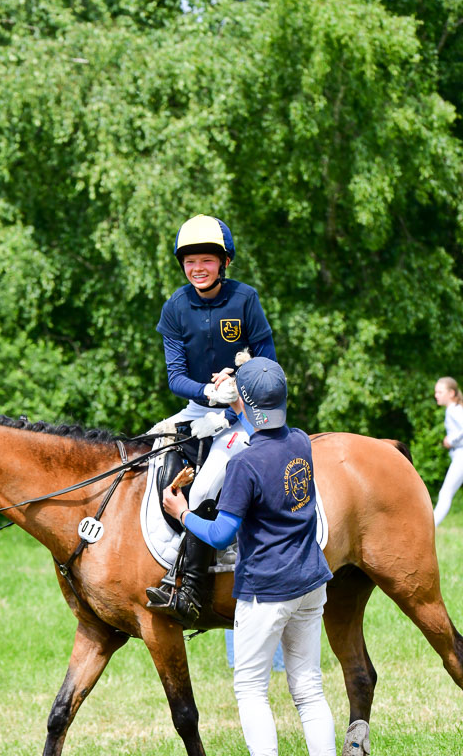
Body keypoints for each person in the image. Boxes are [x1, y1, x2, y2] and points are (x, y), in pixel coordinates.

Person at [163, 357, 336, 756]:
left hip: (267, 591)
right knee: (309, 689)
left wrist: (183, 512)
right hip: (311, 581)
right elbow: (264, 426)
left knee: (251, 689)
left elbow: (222, 532)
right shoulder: (301, 442)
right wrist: (244, 401)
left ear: (241, 400)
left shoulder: (243, 464)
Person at [146, 214, 276, 626]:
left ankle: (191, 586)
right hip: (200, 407)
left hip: (246, 411)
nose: (197, 268)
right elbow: (175, 376)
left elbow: (268, 358)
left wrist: (237, 379)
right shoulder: (175, 307)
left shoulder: (245, 299)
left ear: (224, 263)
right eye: (190, 261)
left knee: (203, 485)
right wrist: (207, 391)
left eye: (206, 260)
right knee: (143, 456)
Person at [433, 376, 463, 526]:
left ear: (451, 393)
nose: (436, 395)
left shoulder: (454, 410)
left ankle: (429, 526)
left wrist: (451, 440)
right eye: (436, 392)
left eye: (440, 392)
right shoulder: (454, 409)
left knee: (445, 493)